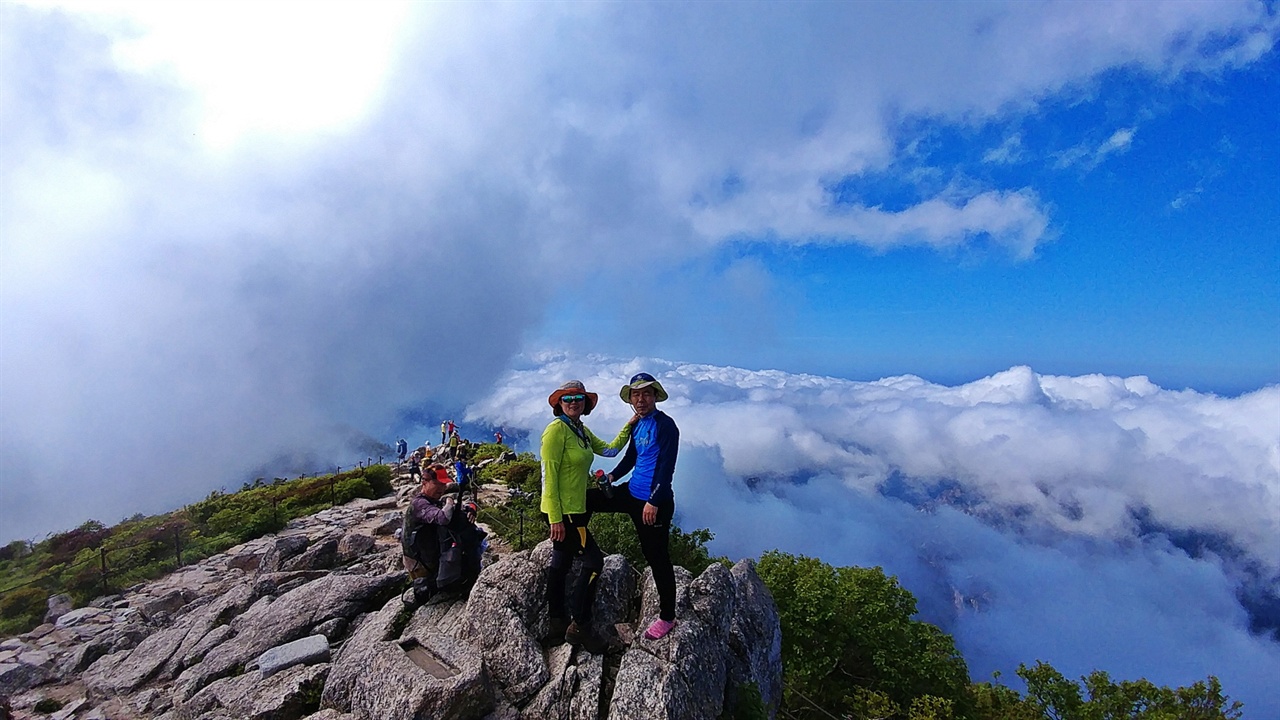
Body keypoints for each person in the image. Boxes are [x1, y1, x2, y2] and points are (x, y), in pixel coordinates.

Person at [541, 380, 637, 652]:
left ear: (585, 403)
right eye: (568, 398)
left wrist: (629, 427)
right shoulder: (556, 431)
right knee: (594, 563)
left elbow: (608, 450)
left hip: (576, 509)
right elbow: (548, 477)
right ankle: (580, 626)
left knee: (560, 565)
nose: (574, 401)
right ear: (559, 403)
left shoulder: (579, 430)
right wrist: (555, 519)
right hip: (567, 514)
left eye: (579, 397)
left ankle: (556, 622)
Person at [590, 372, 680, 640]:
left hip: (654, 502)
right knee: (587, 500)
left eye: (646, 394)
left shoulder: (666, 426)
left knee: (657, 558)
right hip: (631, 493)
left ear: (655, 397)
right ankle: (580, 548)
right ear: (631, 399)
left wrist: (653, 500)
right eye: (636, 395)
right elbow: (631, 457)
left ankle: (667, 617)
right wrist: (612, 477)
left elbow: (666, 467)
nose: (641, 399)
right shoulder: (638, 425)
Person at [402, 471, 484, 604]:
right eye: (437, 483)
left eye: (444, 484)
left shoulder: (432, 500)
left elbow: (460, 509)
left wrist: (472, 508)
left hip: (427, 556)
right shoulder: (419, 504)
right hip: (421, 565)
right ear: (424, 482)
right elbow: (443, 518)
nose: (442, 488)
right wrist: (450, 501)